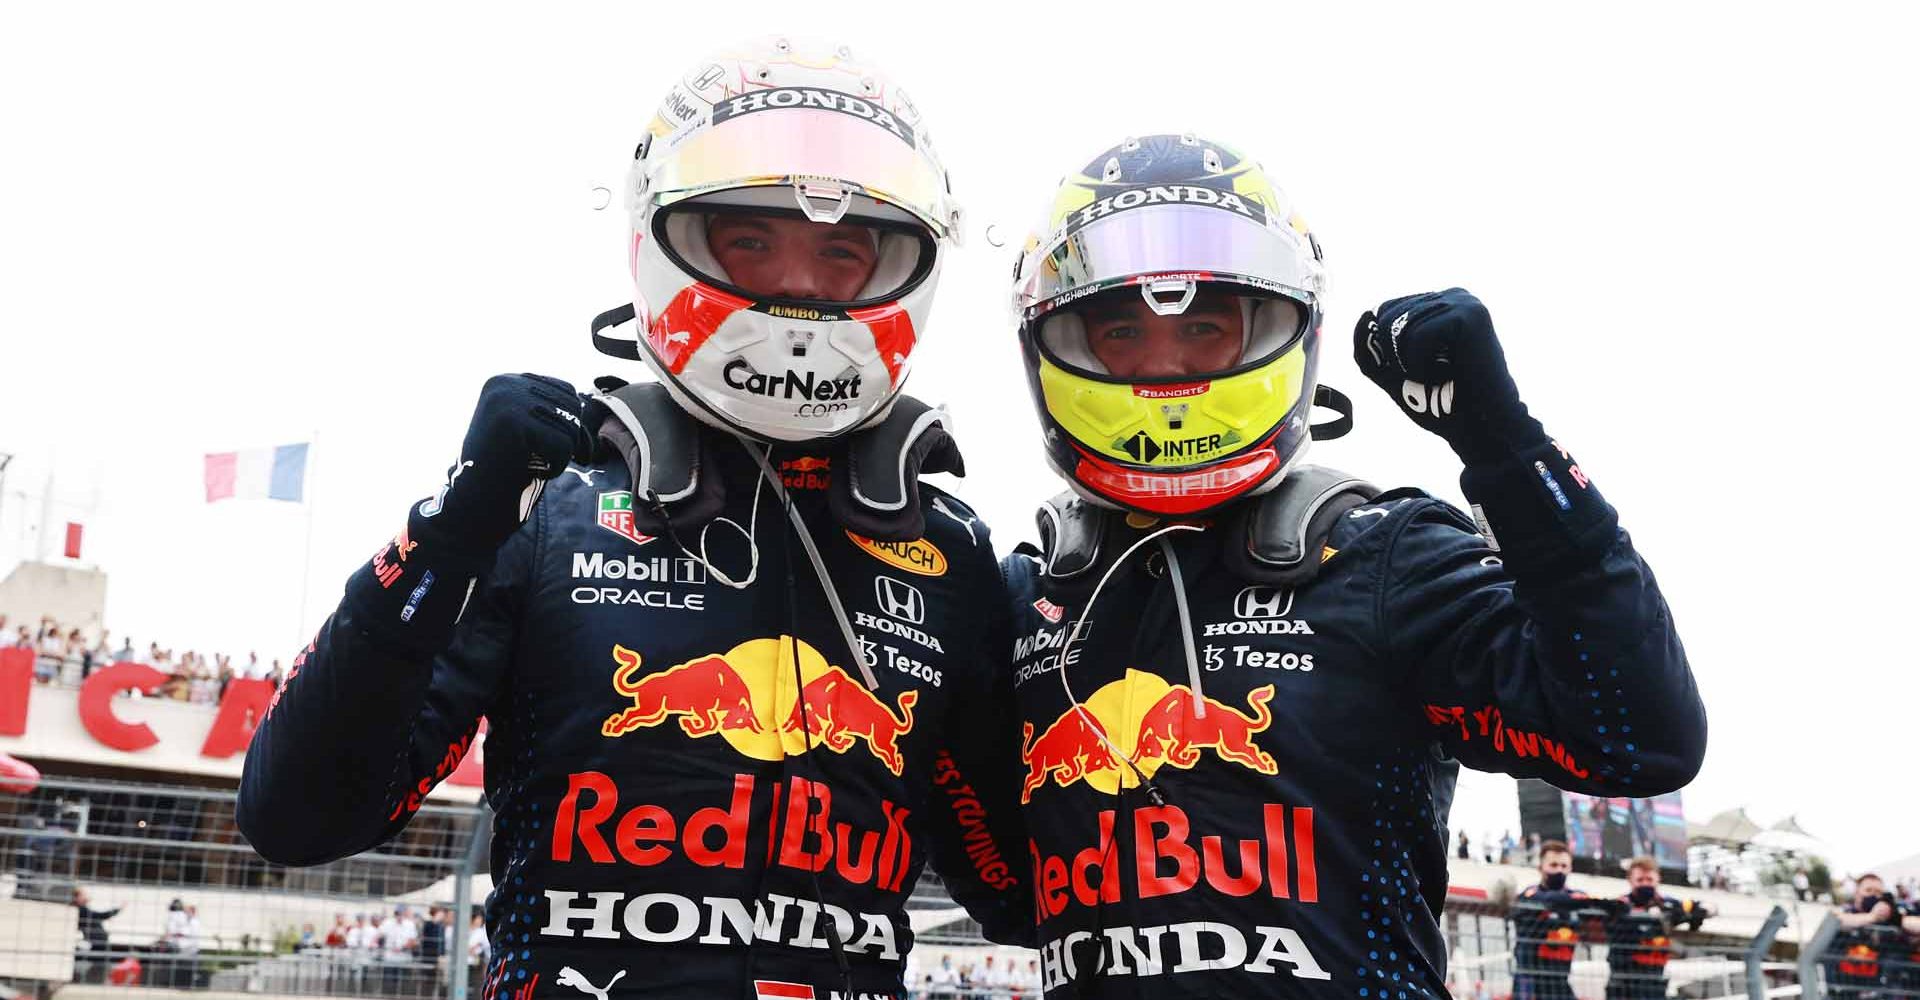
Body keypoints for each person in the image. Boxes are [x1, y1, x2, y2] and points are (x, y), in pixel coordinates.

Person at [236, 36, 1030, 1000]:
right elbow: (299, 818)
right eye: (751, 239)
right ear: (663, 242)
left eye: (841, 249)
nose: (799, 283)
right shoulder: (545, 510)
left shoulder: (950, 554)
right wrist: (445, 536)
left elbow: (1021, 895)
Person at [1000, 134, 1706, 998]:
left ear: (1279, 330)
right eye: (1121, 330)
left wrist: (1507, 450)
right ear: (1057, 341)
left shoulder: (1380, 551)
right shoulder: (1031, 589)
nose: (1166, 364)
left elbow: (1640, 740)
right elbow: (994, 885)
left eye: (1204, 326)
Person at [1599, 857, 1709, 1000]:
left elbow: (1704, 908)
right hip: (1623, 981)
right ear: (1630, 880)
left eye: (1649, 879)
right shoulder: (1619, 905)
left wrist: (1696, 913)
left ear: (1658, 879)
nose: (1645, 884)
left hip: (1654, 980)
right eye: (1640, 880)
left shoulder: (1668, 905)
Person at [1510, 843, 1591, 1000]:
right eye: (1553, 865)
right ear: (1541, 867)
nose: (1559, 870)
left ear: (1570, 868)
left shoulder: (1576, 898)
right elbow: (1546, 898)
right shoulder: (1529, 896)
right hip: (1530, 981)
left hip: (1560, 981)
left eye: (1563, 865)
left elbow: (1589, 900)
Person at [72, 888, 121, 983]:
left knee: (101, 963)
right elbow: (101, 915)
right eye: (83, 895)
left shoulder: (84, 910)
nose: (86, 896)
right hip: (96, 943)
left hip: (98, 942)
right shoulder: (81, 910)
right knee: (100, 963)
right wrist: (117, 910)